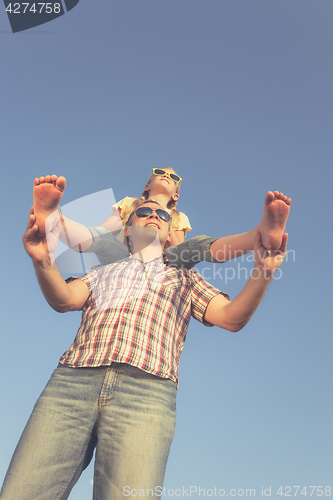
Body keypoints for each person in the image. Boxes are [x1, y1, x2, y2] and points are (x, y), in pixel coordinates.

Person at [0, 197, 288, 500]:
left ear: (169, 235)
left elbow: (232, 318)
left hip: (146, 394)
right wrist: (43, 260)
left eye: (162, 214)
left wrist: (263, 271)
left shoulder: (185, 277)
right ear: (127, 231)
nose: (153, 215)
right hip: (72, 384)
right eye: (144, 212)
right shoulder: (102, 271)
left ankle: (259, 234)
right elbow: (64, 299)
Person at [32, 169, 291, 269]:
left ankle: (260, 234)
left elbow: (179, 248)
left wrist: (176, 247)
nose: (167, 175)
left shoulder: (179, 216)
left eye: (174, 177)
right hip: (125, 255)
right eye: (159, 172)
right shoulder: (130, 204)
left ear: (176, 195)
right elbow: (106, 229)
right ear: (147, 183)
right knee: (101, 240)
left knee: (197, 244)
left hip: (161, 260)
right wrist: (91, 236)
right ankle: (53, 219)